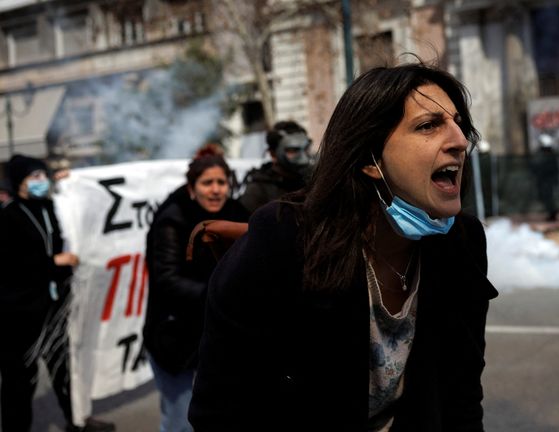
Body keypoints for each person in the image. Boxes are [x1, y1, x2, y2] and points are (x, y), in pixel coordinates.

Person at [189, 61, 499, 430]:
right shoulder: (283, 241)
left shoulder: (461, 242)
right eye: (428, 125)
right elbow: (220, 411)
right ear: (370, 159)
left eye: (459, 124)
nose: (460, 141)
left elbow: (462, 396)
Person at [0, 154, 115, 432]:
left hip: (56, 309)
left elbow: (85, 208)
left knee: (66, 372)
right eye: (33, 177)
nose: (41, 181)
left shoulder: (54, 207)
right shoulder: (8, 216)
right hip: (19, 315)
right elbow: (10, 264)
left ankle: (77, 419)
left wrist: (73, 182)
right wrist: (53, 263)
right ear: (19, 183)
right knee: (19, 380)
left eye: (43, 175)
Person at [142, 148, 249, 432]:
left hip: (218, 335)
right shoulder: (171, 220)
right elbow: (167, 279)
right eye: (206, 183)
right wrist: (217, 296)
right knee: (180, 422)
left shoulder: (237, 213)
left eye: (221, 182)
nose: (215, 190)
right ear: (192, 188)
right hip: (174, 337)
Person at [238, 120, 312, 214]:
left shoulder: (312, 182)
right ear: (273, 154)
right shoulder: (257, 190)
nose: (303, 157)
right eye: (293, 150)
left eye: (306, 149)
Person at [531, 134, 559, 221]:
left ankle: (552, 212)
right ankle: (552, 212)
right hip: (545, 179)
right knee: (546, 196)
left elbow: (551, 168)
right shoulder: (545, 154)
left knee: (548, 196)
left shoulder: (548, 155)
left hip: (547, 180)